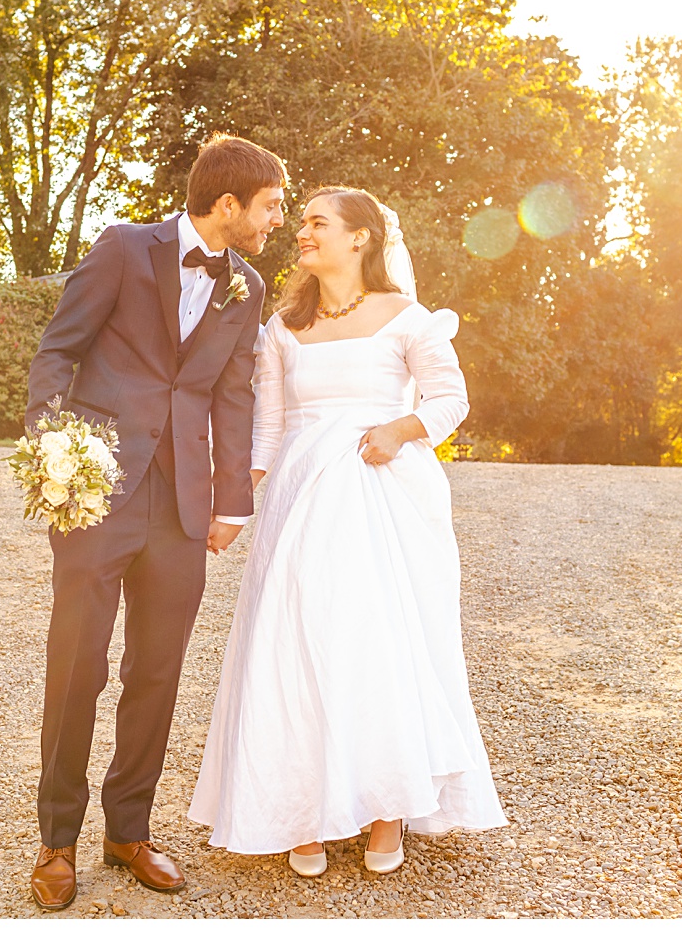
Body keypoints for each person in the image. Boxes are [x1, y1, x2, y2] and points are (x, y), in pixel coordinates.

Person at [188, 186, 507, 877]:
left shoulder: (407, 319)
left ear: (360, 237)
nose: (300, 233)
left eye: (316, 223)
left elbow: (451, 400)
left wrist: (398, 428)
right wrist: (236, 503)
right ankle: (302, 807)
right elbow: (268, 426)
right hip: (303, 500)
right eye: (299, 221)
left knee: (378, 642)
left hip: (382, 495)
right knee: (298, 642)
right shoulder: (282, 327)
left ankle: (387, 808)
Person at [22, 134, 286, 910]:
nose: (276, 220)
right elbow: (58, 349)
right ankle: (57, 839)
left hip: (182, 504)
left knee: (157, 670)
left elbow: (234, 397)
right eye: (270, 206)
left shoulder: (249, 287)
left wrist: (232, 501)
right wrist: (49, 447)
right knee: (78, 664)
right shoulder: (122, 249)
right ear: (228, 203)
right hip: (96, 488)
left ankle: (127, 830)